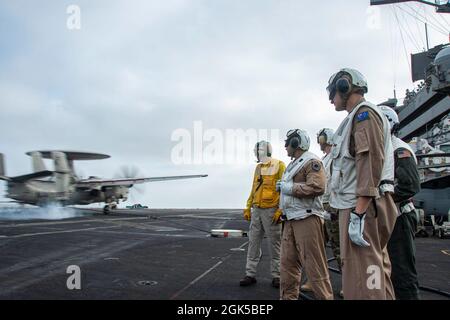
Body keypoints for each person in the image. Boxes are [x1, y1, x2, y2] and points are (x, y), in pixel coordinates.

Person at [326, 68, 397, 299]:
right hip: (367, 205)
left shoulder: (363, 115)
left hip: (362, 207)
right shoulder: (358, 117)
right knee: (375, 270)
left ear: (345, 87)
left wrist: (358, 214)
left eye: (333, 92)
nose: (331, 98)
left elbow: (369, 163)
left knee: (364, 276)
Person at [277, 129, 333, 300]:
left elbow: (317, 187)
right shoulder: (293, 165)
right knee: (287, 266)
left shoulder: (311, 161)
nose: (286, 146)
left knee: (315, 266)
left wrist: (289, 188)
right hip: (290, 220)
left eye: (288, 142)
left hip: (307, 219)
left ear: (296, 143)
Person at [380, 105, 421, 300]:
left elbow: (409, 186)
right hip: (388, 216)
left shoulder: (399, 149)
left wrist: (378, 197)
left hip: (399, 217)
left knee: (402, 272)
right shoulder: (384, 149)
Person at [301, 128, 343, 297]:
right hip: (321, 206)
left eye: (321, 137)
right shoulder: (323, 159)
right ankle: (315, 280)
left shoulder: (336, 158)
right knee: (317, 247)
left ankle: (347, 281)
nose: (320, 140)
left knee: (338, 245)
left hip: (332, 205)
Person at [240, 141, 286, 288]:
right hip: (257, 210)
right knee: (253, 243)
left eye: (257, 151)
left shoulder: (279, 165)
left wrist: (281, 210)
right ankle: (250, 274)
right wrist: (248, 207)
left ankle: (277, 276)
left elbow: (284, 190)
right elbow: (254, 189)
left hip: (272, 210)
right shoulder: (258, 167)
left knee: (275, 245)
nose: (255, 153)